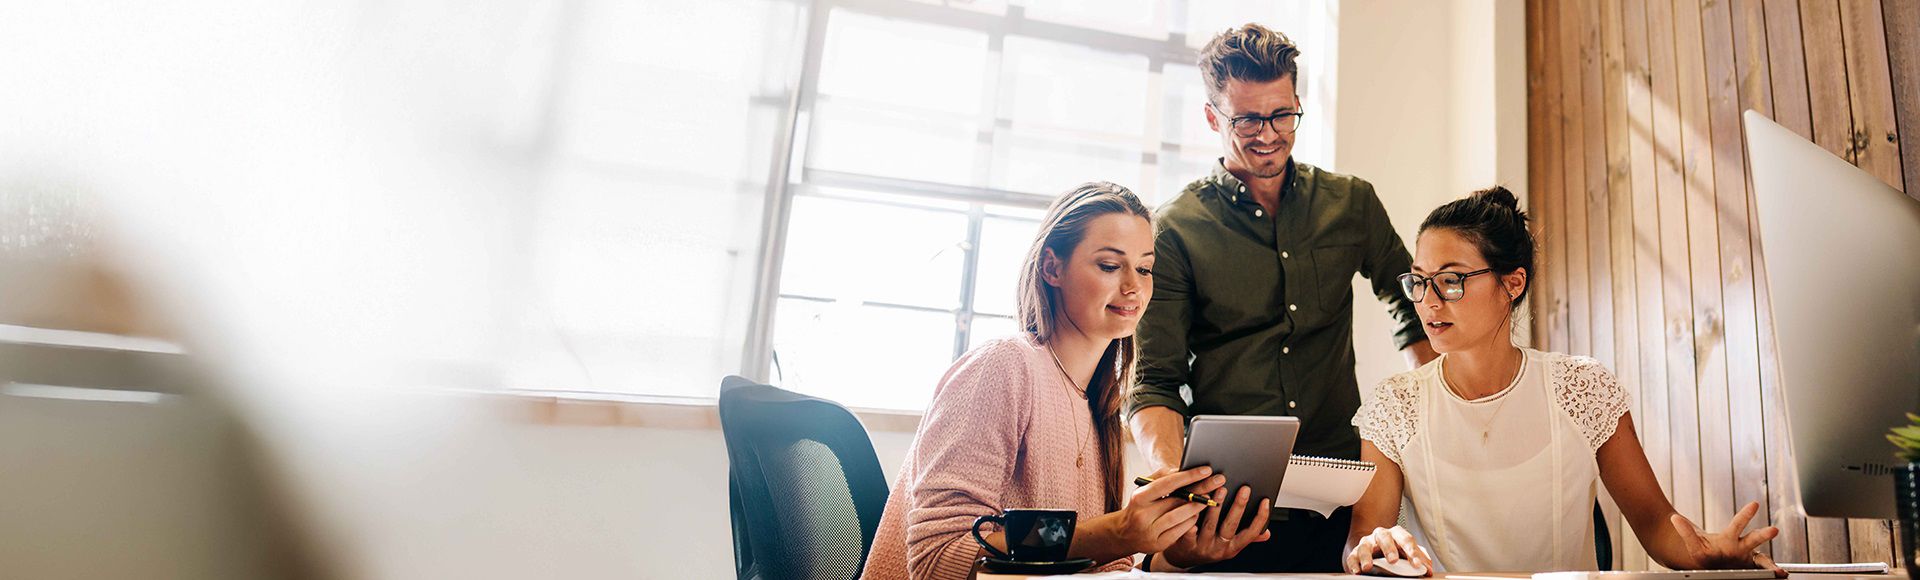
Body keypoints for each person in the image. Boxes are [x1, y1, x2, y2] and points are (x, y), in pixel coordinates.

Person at [1342, 186, 1786, 576]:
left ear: (1512, 283)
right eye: (1418, 281)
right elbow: (1363, 540)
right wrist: (1372, 550)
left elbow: (1656, 526)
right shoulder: (1395, 404)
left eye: (1451, 280)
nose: (1429, 301)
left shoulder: (1581, 387)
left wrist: (1706, 554)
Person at [1127, 23, 1435, 573]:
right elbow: (1155, 382)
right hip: (1226, 508)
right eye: (1246, 118)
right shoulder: (1173, 229)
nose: (1267, 133)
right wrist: (1180, 488)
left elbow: (1414, 303)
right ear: (1211, 117)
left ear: (1297, 104)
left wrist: (1439, 413)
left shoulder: (1352, 204)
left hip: (1341, 497)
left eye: (1281, 115)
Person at [861, 182, 1271, 580]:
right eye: (1110, 266)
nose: (1133, 287)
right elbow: (940, 558)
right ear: (1052, 267)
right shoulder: (1002, 367)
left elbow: (1090, 564)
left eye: (1145, 268)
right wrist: (1115, 532)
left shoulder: (1100, 403)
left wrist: (1171, 556)